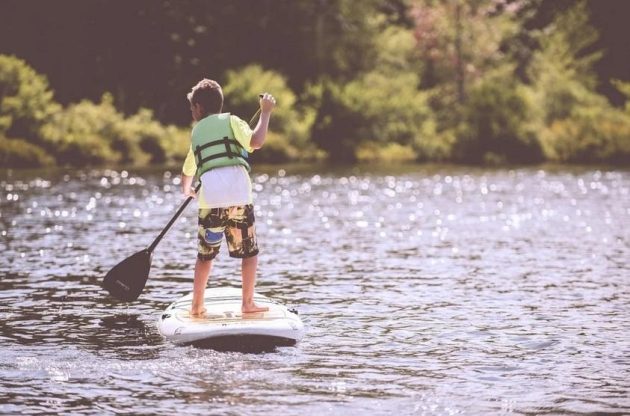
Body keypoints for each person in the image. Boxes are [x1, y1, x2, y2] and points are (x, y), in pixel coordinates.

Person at [180, 78, 275, 316]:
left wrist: (187, 190)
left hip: (210, 200)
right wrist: (265, 113)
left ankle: (197, 306)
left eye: (192, 107)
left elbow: (188, 170)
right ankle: (247, 304)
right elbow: (257, 141)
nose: (192, 112)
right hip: (239, 197)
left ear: (199, 108)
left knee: (205, 256)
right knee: (249, 252)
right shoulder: (233, 121)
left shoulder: (196, 132)